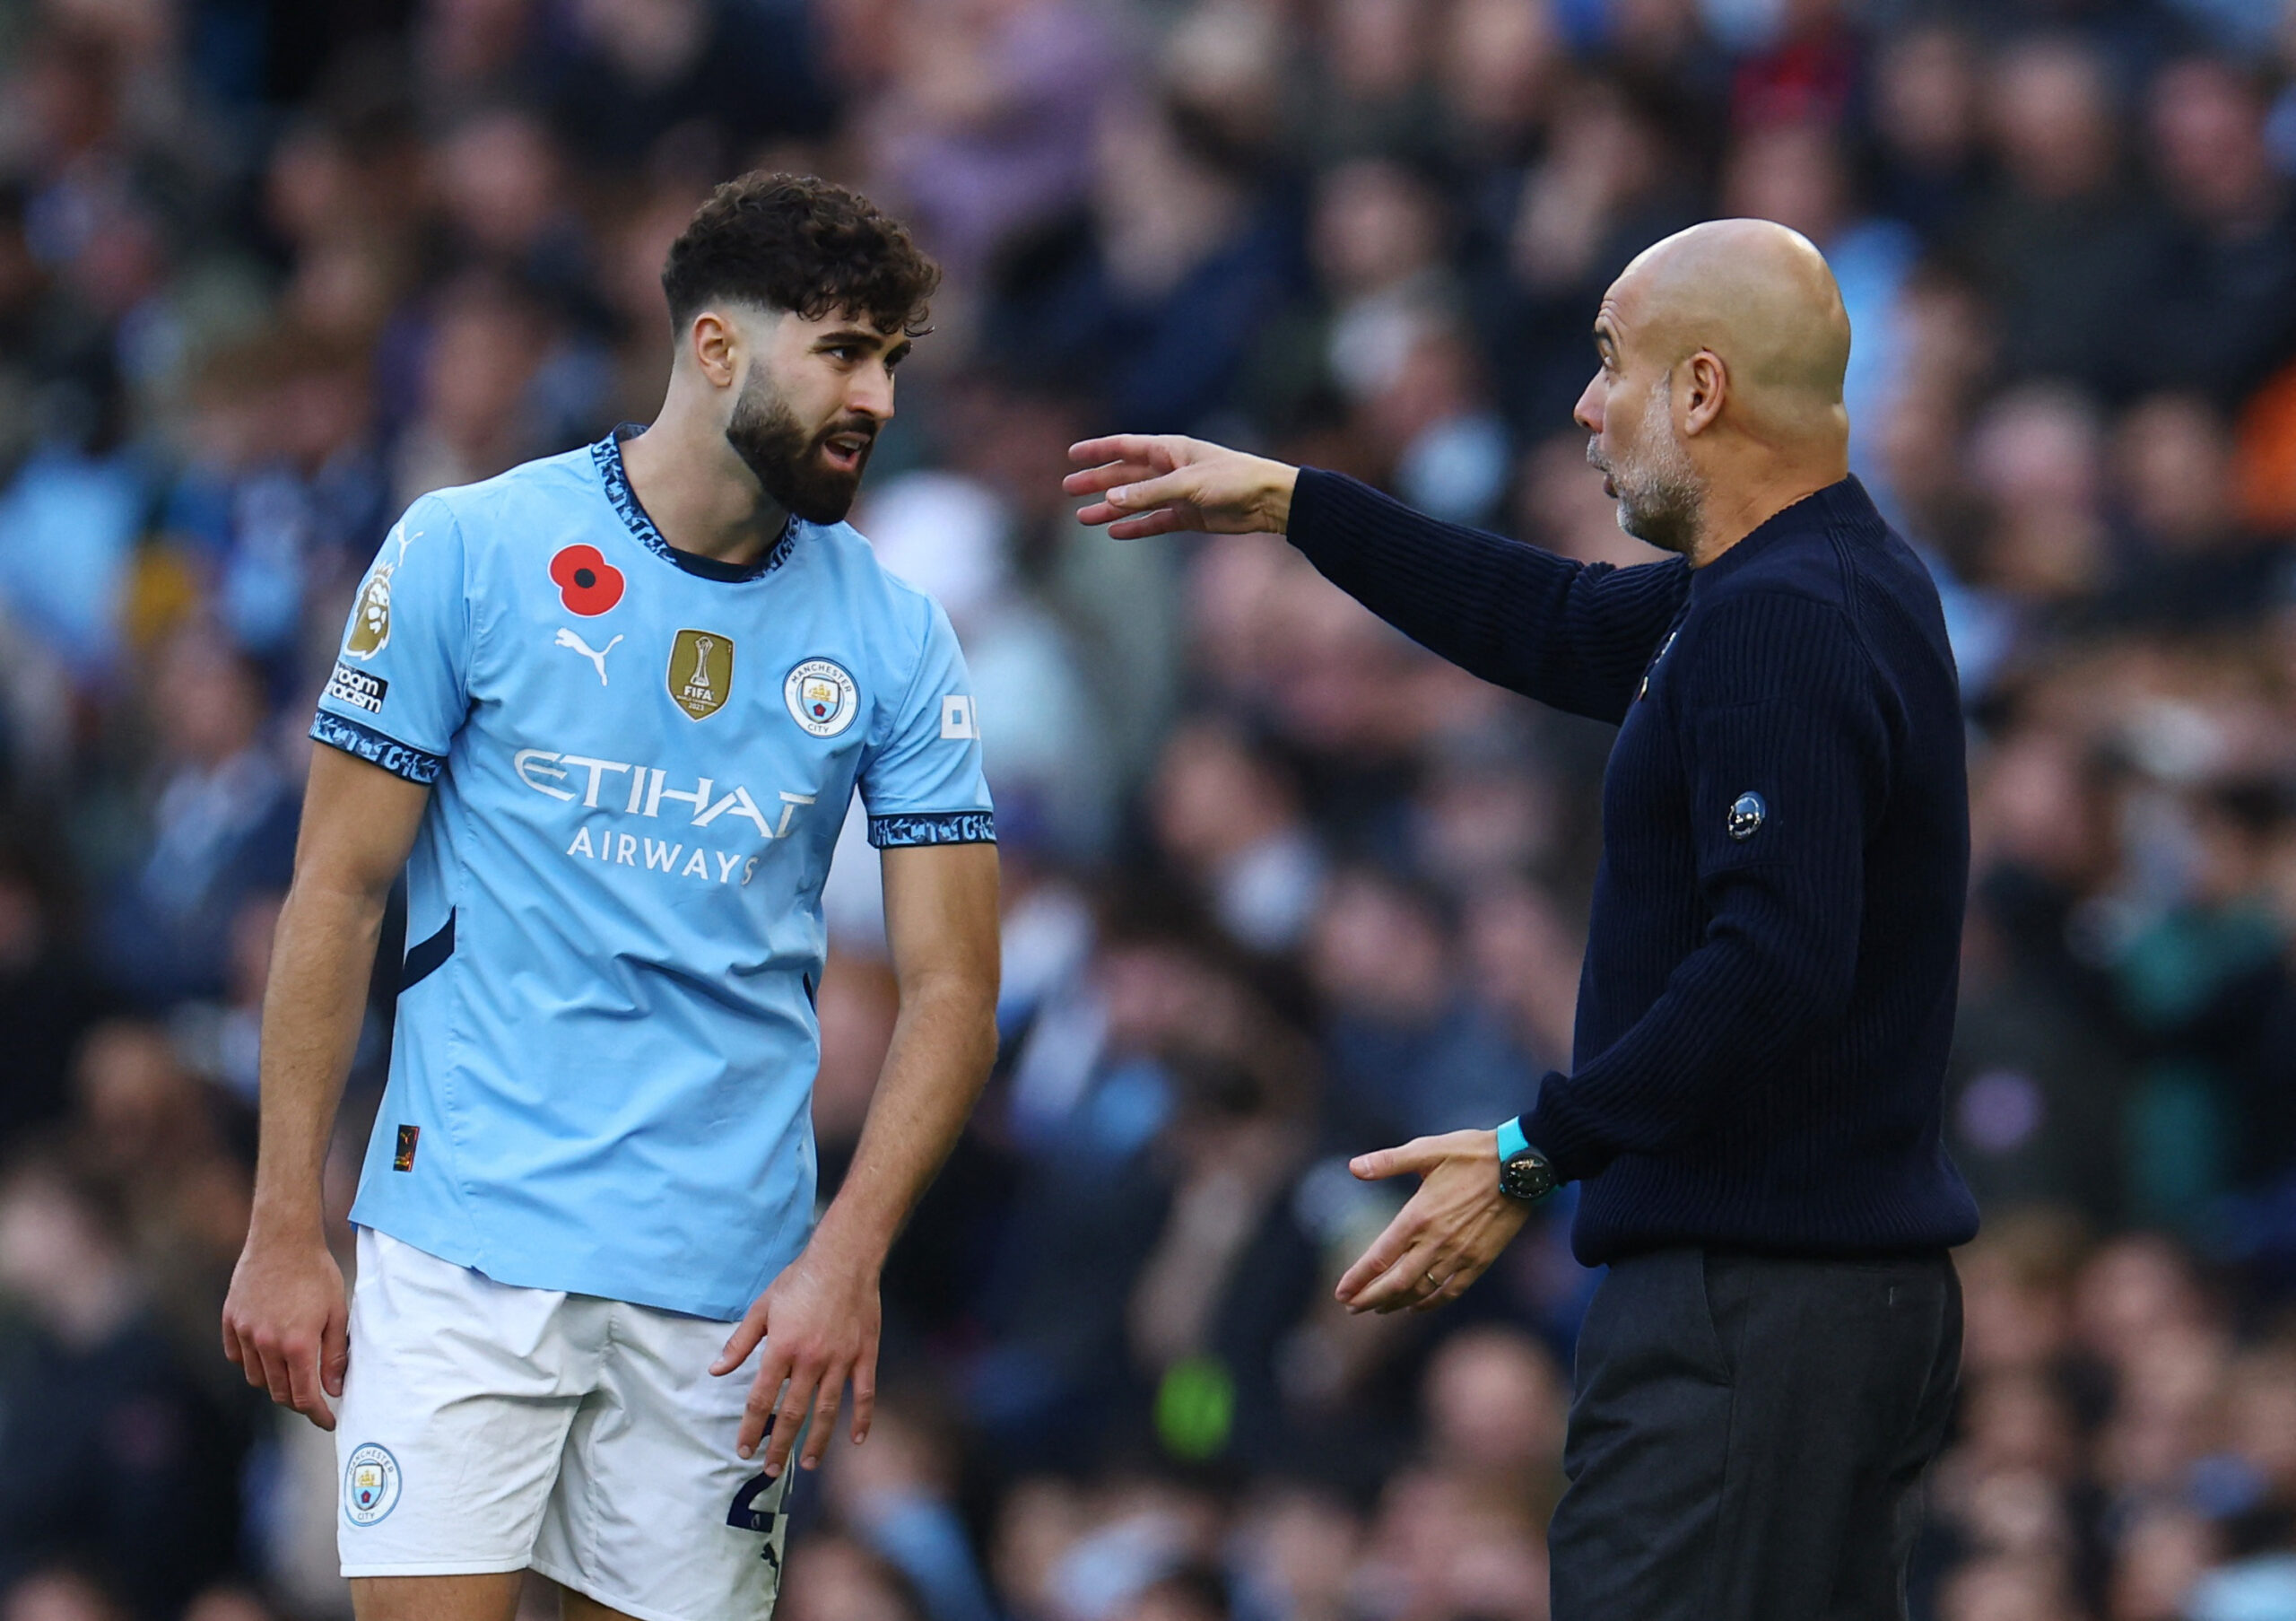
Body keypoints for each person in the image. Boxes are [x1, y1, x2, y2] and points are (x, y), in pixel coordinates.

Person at [1066, 218, 1979, 1620]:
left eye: (1611, 365)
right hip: (1816, 1302)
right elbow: (1552, 620)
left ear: (1702, 391)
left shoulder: (1779, 619)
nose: (1582, 402)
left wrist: (1535, 1150)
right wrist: (1301, 504)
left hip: (1754, 1307)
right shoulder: (1819, 582)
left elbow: (1779, 957)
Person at [220, 174, 1003, 1621]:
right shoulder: (467, 550)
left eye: (895, 359)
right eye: (844, 350)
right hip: (465, 1238)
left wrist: (850, 1255)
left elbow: (957, 986)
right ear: (717, 351)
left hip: (728, 1286)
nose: (880, 396)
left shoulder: (894, 635)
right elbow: (335, 889)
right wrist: (284, 1224)